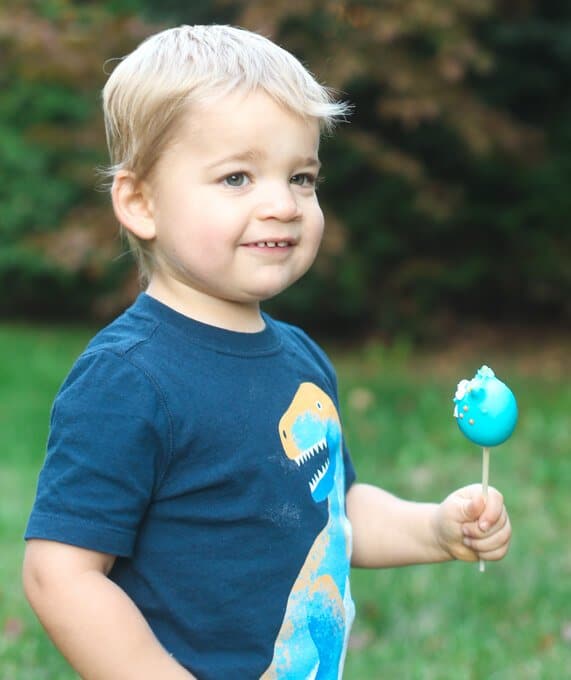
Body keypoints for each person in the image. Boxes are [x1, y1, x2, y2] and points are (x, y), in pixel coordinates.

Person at [23, 24, 511, 680]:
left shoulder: (299, 359)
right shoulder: (127, 378)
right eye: (236, 178)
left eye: (301, 177)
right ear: (140, 202)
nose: (282, 204)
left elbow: (331, 508)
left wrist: (434, 529)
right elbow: (61, 575)